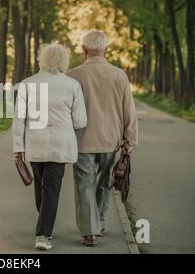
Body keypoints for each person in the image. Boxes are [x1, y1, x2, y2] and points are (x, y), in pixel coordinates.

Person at [13, 43, 87, 250]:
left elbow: (19, 119)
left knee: (42, 186)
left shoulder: (27, 83)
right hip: (60, 143)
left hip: (35, 143)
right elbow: (80, 121)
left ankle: (43, 232)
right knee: (50, 188)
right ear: (64, 61)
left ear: (41, 60)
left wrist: (17, 147)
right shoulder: (72, 85)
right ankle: (44, 230)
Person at [68, 30, 138, 246]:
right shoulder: (119, 75)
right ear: (105, 49)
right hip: (111, 141)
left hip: (82, 140)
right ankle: (100, 222)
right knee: (105, 183)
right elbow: (129, 110)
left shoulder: (73, 75)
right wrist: (130, 141)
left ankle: (90, 231)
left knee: (84, 185)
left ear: (83, 50)